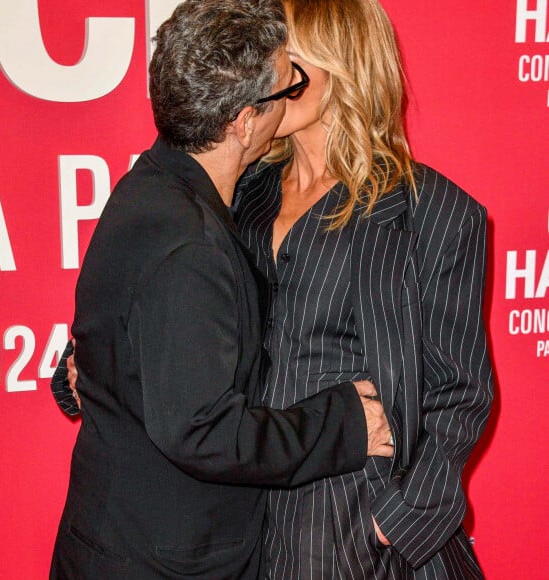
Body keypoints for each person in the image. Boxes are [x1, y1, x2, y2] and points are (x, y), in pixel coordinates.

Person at [49, 1, 395, 578]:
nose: (295, 93)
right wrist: (344, 424)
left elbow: (140, 332)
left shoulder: (149, 184)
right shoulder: (193, 243)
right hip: (160, 559)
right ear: (244, 119)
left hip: (121, 537)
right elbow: (202, 432)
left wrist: (95, 371)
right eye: (290, 82)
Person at [234, 0, 494, 578]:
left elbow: (460, 389)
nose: (268, 72)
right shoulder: (242, 193)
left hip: (357, 518)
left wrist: (398, 520)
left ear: (339, 64)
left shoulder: (435, 213)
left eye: (287, 54)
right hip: (246, 512)